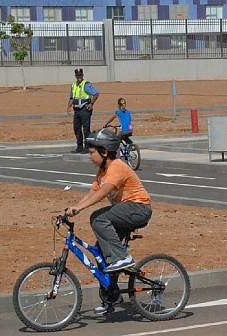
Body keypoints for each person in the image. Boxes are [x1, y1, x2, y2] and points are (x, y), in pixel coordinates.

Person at [65, 128, 152, 314]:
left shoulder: (117, 167)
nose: (90, 156)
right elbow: (93, 191)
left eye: (92, 152)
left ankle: (123, 258)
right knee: (102, 254)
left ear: (104, 152)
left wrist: (81, 209)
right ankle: (111, 296)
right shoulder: (102, 170)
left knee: (98, 218)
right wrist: (74, 208)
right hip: (123, 212)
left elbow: (103, 192)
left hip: (138, 209)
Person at [67, 68, 100, 154]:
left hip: (85, 109)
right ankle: (79, 146)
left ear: (82, 75)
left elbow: (96, 93)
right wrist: (68, 106)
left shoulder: (86, 84)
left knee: (86, 129)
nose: (79, 77)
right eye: (77, 75)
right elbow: (71, 97)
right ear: (75, 76)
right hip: (77, 110)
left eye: (80, 75)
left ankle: (87, 147)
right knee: (76, 129)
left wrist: (92, 103)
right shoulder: (74, 85)